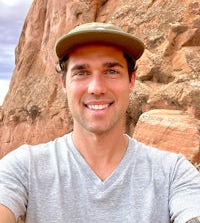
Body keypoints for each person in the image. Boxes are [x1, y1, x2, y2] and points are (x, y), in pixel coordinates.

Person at [0, 22, 200, 223]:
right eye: (81, 73)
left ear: (131, 80)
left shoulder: (174, 173)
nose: (96, 88)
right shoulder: (24, 168)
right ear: (63, 83)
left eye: (111, 71)